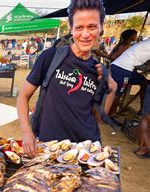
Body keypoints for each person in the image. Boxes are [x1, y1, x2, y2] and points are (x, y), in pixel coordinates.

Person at [17, 0, 108, 157]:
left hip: (84, 151)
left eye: (92, 27)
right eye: (79, 27)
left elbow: (98, 117)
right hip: (49, 147)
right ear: (71, 28)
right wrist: (26, 132)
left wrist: (109, 85)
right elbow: (23, 97)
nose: (85, 34)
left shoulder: (100, 70)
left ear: (101, 28)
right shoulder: (50, 57)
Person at [106, 39, 150, 115]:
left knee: (145, 83)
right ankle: (110, 114)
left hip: (123, 67)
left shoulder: (147, 43)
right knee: (117, 93)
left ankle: (143, 111)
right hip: (123, 68)